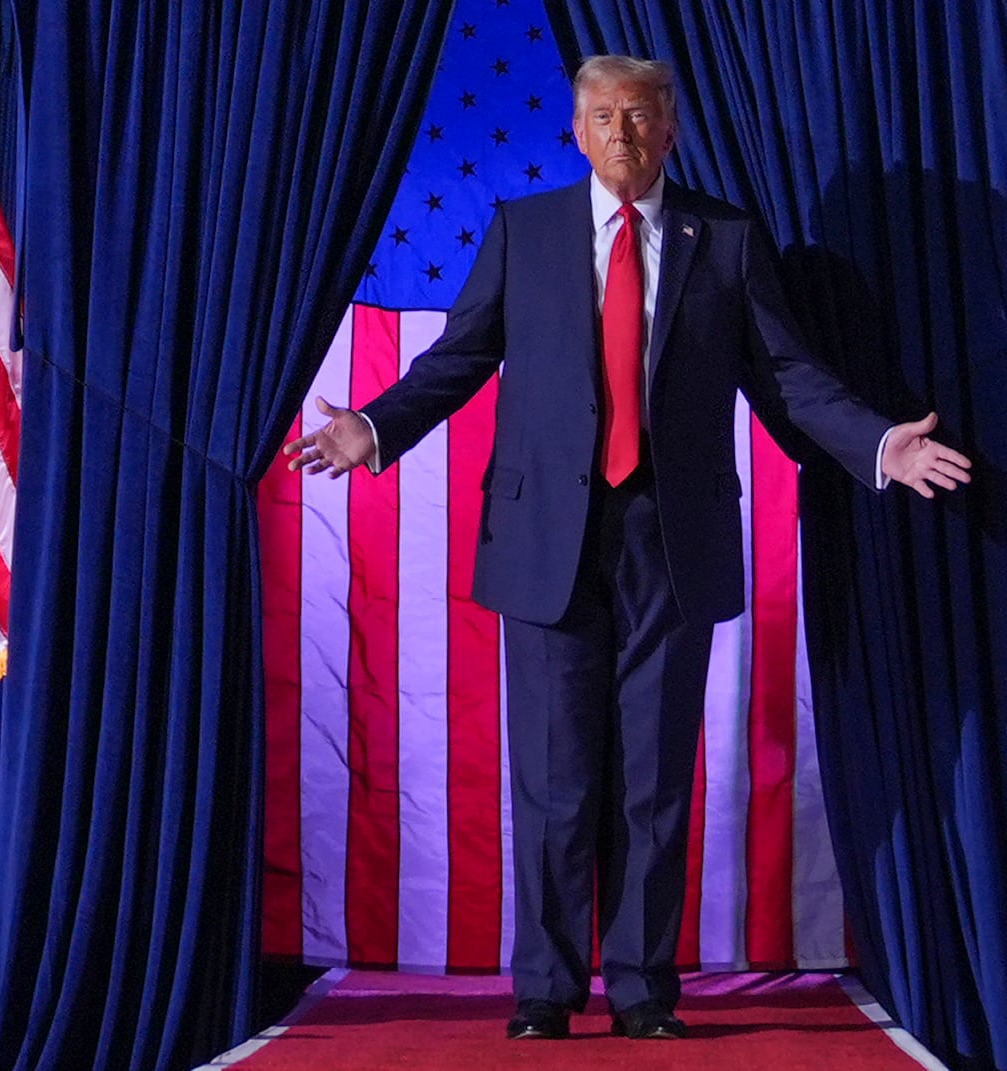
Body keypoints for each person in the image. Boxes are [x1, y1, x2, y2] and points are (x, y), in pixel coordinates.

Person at [283, 54, 971, 1041]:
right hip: (546, 542)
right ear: (575, 130)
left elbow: (785, 375)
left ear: (671, 130)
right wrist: (376, 428)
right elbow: (459, 355)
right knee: (558, 782)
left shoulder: (724, 241)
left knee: (653, 781)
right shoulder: (526, 232)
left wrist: (876, 442)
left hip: (670, 540)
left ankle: (645, 991)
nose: (621, 135)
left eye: (639, 118)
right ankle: (547, 992)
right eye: (603, 117)